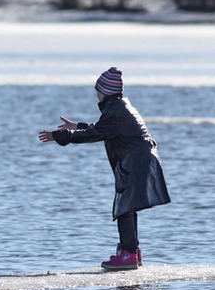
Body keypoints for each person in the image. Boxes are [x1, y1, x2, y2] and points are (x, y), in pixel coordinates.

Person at [38, 67, 170, 270]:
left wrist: (61, 136)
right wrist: (77, 126)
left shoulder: (116, 111)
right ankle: (132, 251)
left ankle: (128, 255)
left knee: (124, 207)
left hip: (135, 162)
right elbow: (101, 128)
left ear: (106, 92)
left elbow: (94, 134)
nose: (97, 95)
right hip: (138, 161)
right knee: (128, 206)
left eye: (98, 91)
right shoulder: (119, 108)